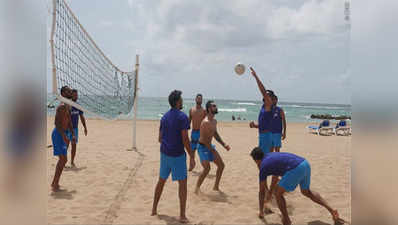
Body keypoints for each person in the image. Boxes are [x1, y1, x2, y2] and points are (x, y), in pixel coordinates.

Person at [250, 147, 345, 225]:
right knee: (306, 192)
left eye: (255, 162)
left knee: (278, 193)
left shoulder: (263, 166)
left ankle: (286, 220)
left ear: (256, 160)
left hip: (295, 168)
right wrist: (270, 193)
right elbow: (275, 176)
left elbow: (261, 192)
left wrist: (261, 212)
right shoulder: (270, 156)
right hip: (305, 164)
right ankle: (332, 210)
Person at [151, 90, 195, 223]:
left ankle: (154, 209)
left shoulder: (164, 117)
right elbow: (185, 139)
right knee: (182, 184)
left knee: (161, 181)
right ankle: (182, 215)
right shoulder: (183, 117)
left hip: (164, 154)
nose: (182, 101)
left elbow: (159, 138)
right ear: (177, 102)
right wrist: (192, 155)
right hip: (177, 155)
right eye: (181, 99)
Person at [195, 100, 230, 193]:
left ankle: (216, 187)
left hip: (209, 146)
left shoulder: (214, 121)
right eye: (214, 106)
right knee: (207, 169)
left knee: (221, 166)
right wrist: (212, 150)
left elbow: (215, 134)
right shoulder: (205, 122)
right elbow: (205, 139)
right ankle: (197, 188)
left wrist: (224, 144)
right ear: (209, 109)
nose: (216, 107)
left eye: (216, 106)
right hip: (202, 147)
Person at [248, 67, 273, 155]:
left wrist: (256, 77)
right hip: (262, 135)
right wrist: (255, 126)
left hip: (266, 136)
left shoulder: (269, 104)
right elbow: (264, 124)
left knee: (264, 158)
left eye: (268, 95)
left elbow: (262, 90)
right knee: (262, 158)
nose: (266, 95)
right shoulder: (264, 107)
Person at [69, 89, 88, 167]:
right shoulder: (68, 105)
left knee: (74, 145)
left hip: (75, 129)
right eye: (75, 95)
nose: (76, 96)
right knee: (65, 146)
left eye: (77, 95)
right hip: (67, 129)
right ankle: (63, 161)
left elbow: (82, 116)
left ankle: (72, 161)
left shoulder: (78, 105)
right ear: (71, 95)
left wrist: (85, 127)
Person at [188, 93, 206, 171]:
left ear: (202, 100)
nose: (199, 100)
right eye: (198, 98)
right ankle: (191, 165)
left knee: (202, 150)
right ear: (195, 99)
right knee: (192, 151)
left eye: (200, 98)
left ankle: (205, 166)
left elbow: (206, 122)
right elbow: (189, 121)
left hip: (201, 133)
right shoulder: (191, 110)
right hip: (194, 132)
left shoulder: (204, 111)